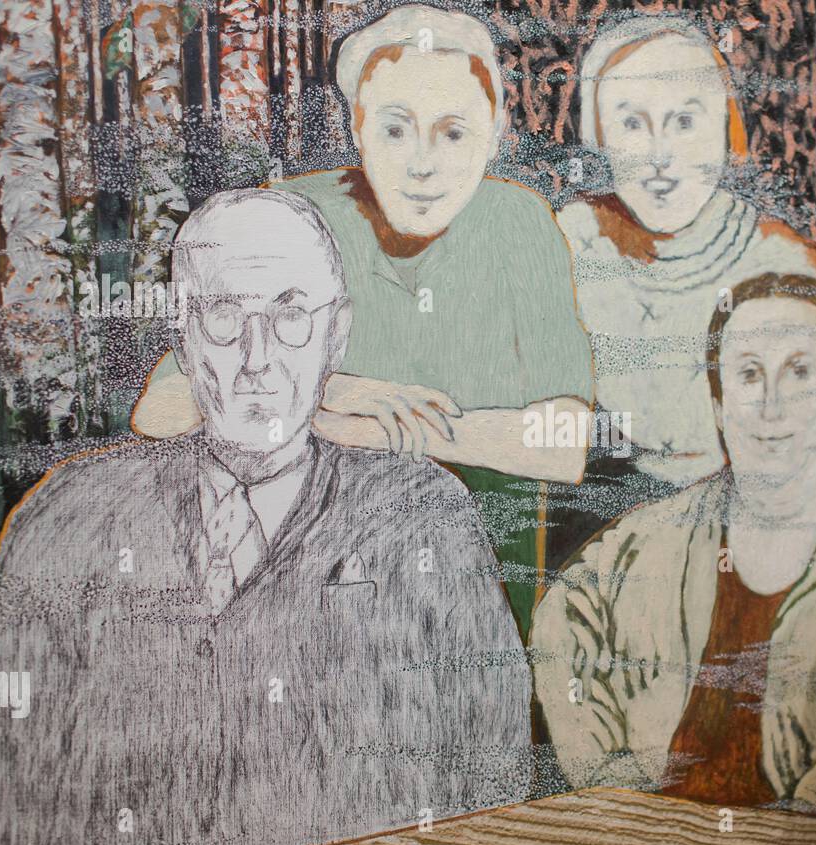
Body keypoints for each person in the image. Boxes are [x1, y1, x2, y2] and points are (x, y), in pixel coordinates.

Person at [0, 190, 532, 845]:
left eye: (291, 315)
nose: (257, 357)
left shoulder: (425, 521)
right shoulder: (65, 523)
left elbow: (497, 809)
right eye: (222, 317)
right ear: (180, 340)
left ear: (337, 335)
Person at [131, 3, 594, 637]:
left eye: (453, 133)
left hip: (477, 600)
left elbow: (565, 445)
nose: (422, 165)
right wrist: (341, 393)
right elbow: (158, 409)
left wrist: (369, 432)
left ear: (492, 129)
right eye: (396, 130)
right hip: (301, 596)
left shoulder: (520, 224)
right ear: (357, 124)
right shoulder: (296, 216)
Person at [548, 12, 816, 562]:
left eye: (685, 121)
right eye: (633, 124)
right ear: (599, 134)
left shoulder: (781, 264)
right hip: (604, 541)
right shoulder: (569, 243)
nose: (661, 155)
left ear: (724, 128)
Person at [531, 273, 816, 809]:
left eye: (800, 372)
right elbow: (561, 620)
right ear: (718, 406)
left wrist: (814, 807)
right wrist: (609, 780)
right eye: (750, 375)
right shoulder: (656, 536)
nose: (772, 405)